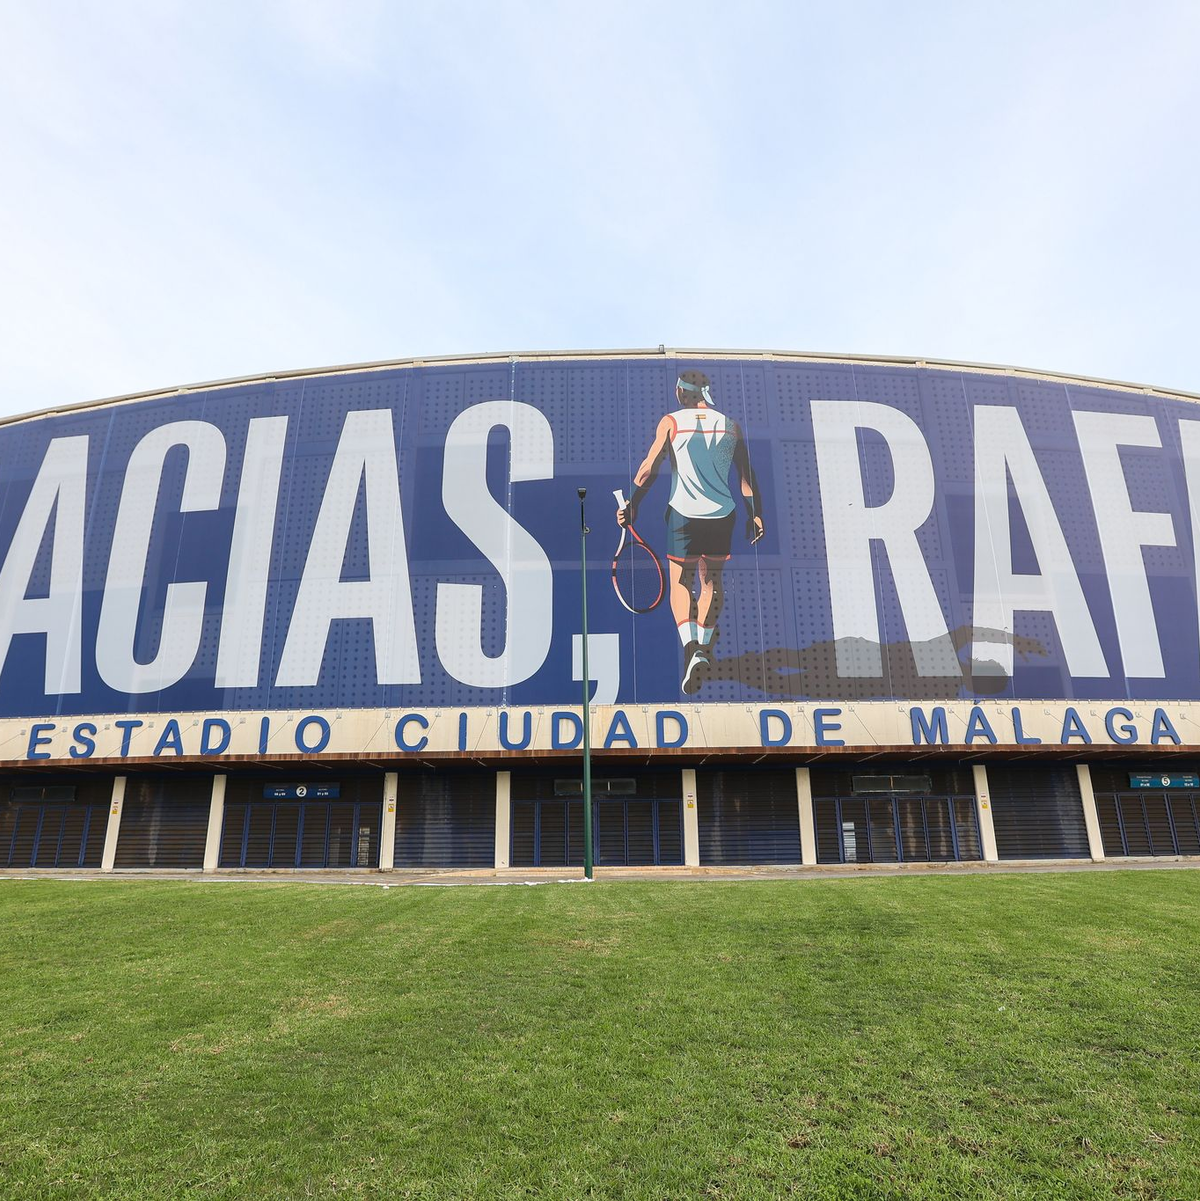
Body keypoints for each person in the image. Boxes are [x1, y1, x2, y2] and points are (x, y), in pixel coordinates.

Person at [617, 370, 764, 694]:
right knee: (712, 582)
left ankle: (691, 649)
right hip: (722, 514)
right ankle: (706, 644)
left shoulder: (671, 422)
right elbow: (746, 476)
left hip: (684, 516)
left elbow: (648, 469)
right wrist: (756, 515)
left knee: (682, 582)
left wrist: (632, 504)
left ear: (682, 392)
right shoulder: (731, 426)